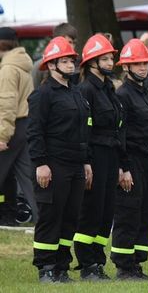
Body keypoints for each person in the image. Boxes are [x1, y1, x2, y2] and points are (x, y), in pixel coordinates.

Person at [27, 36, 92, 283]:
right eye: (64, 61)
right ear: (51, 65)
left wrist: (86, 162)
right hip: (53, 164)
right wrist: (41, 164)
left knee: (70, 217)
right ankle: (45, 267)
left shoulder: (75, 92)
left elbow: (83, 130)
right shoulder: (43, 95)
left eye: (71, 61)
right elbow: (35, 132)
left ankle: (61, 267)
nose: (70, 65)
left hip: (76, 164)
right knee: (51, 216)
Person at [74, 34, 128, 280]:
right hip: (94, 155)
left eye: (110, 58)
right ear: (92, 62)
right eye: (104, 59)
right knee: (91, 211)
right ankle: (87, 264)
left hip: (110, 155)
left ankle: (97, 262)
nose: (109, 63)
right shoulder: (86, 90)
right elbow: (83, 130)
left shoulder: (108, 88)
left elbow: (117, 127)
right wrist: (86, 161)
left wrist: (120, 163)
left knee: (106, 212)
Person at [110, 39, 148, 279]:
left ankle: (137, 262)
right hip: (132, 159)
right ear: (126, 67)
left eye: (145, 63)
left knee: (147, 214)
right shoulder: (123, 95)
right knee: (128, 213)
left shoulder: (147, 91)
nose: (142, 68)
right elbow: (120, 135)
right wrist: (124, 167)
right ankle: (123, 266)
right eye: (137, 64)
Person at [0, 27, 38, 225]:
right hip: (24, 125)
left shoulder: (8, 69)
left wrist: (2, 136)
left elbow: (7, 104)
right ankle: (44, 219)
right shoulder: (23, 64)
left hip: (11, 127)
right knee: (27, 178)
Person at [31, 23, 79, 89]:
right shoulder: (39, 65)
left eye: (74, 43)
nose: (72, 46)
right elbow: (34, 90)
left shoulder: (77, 64)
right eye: (69, 42)